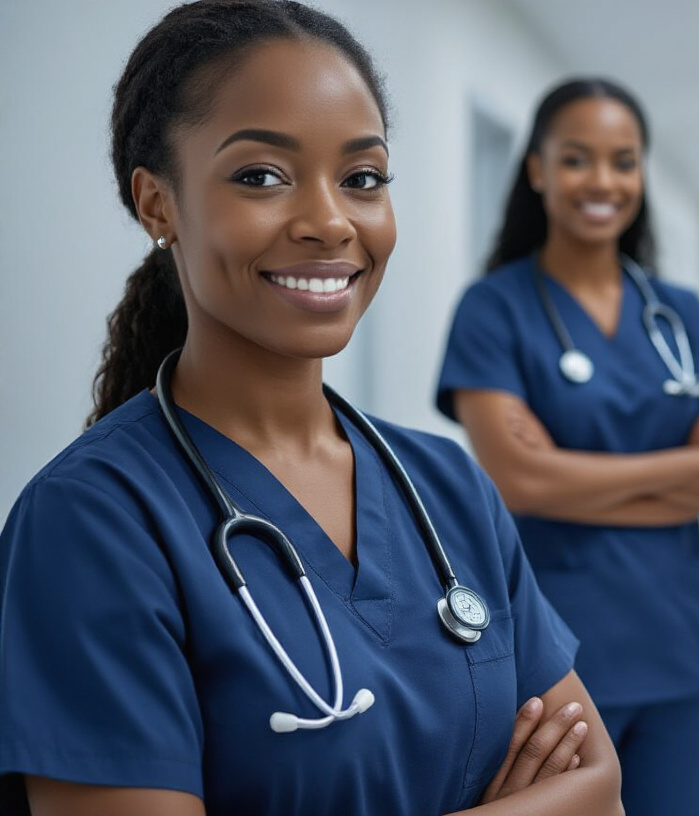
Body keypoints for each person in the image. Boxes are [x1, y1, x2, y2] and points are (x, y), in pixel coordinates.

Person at [0, 4, 623, 815]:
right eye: (261, 176)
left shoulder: (445, 486)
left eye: (362, 178)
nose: (331, 221)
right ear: (158, 204)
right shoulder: (90, 524)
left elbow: (600, 787)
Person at [435, 77, 699, 816]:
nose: (603, 181)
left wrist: (572, 476)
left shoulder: (680, 315)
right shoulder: (493, 310)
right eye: (578, 159)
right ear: (539, 169)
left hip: (678, 646)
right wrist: (686, 471)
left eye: (625, 160)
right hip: (556, 658)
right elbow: (519, 482)